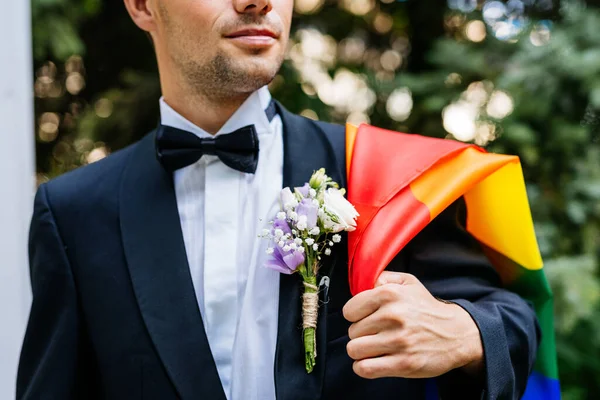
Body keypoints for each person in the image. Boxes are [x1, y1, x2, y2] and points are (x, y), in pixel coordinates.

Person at [17, 0, 540, 399]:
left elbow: (513, 320)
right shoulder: (74, 216)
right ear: (141, 5)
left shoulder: (381, 176)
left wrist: (466, 331)